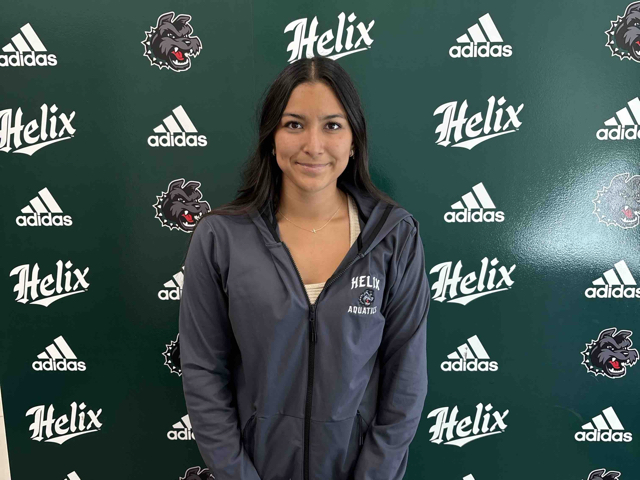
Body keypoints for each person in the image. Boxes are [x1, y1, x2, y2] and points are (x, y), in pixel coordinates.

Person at [179, 56, 430, 480]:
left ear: (354, 141)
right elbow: (203, 372)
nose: (313, 145)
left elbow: (406, 378)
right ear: (271, 138)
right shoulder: (220, 238)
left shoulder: (394, 237)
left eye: (332, 125)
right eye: (294, 124)